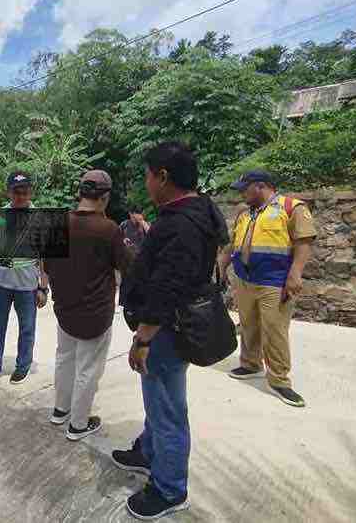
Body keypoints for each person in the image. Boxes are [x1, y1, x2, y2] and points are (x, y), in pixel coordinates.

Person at [112, 141, 228, 520]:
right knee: (158, 402)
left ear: (163, 176)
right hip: (173, 324)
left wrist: (142, 338)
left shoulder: (179, 224)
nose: (146, 182)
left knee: (167, 409)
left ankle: (169, 489)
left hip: (165, 331)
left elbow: (167, 288)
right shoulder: (200, 209)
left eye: (147, 174)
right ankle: (147, 452)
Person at [43, 170, 132, 441]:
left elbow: (47, 266)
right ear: (104, 197)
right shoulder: (108, 229)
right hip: (96, 313)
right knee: (88, 369)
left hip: (65, 310)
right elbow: (128, 267)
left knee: (64, 359)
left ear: (80, 193)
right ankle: (78, 425)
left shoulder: (58, 224)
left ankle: (60, 410)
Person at [219, 170, 316, 408]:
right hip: (245, 279)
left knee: (275, 330)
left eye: (244, 188)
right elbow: (234, 244)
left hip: (275, 281)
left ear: (260, 186)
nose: (241, 193)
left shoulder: (292, 207)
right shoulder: (245, 213)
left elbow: (304, 242)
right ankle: (251, 363)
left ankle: (279, 380)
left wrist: (295, 275)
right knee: (249, 323)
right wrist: (222, 266)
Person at [0, 171, 49, 388]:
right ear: (9, 192)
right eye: (16, 192)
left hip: (27, 286)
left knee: (27, 328)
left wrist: (43, 287)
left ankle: (22, 366)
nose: (21, 196)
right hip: (1, 283)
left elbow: (45, 257)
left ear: (30, 192)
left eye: (25, 191)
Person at [117, 207, 150, 312]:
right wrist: (123, 241)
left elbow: (153, 236)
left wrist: (143, 223)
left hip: (143, 260)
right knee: (127, 282)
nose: (139, 215)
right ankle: (124, 305)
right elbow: (116, 238)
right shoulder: (124, 225)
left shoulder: (145, 224)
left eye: (140, 213)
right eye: (136, 213)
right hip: (128, 260)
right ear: (130, 214)